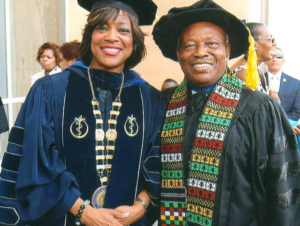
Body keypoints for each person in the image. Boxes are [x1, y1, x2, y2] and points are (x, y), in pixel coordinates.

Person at [0, 0, 165, 225]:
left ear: (134, 41)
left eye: (123, 30)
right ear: (89, 35)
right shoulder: (50, 91)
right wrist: (83, 212)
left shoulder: (151, 99)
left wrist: (140, 206)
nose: (112, 37)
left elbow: (159, 163)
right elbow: (36, 162)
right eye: (102, 27)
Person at [152, 0, 300, 225]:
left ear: (227, 50)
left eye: (212, 43)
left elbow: (284, 194)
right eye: (189, 45)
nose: (200, 52)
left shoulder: (259, 110)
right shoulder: (164, 104)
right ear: (178, 53)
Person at [230, 22, 277, 93]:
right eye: (270, 39)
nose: (274, 43)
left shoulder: (256, 71)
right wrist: (274, 101)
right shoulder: (244, 73)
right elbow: (257, 103)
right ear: (253, 43)